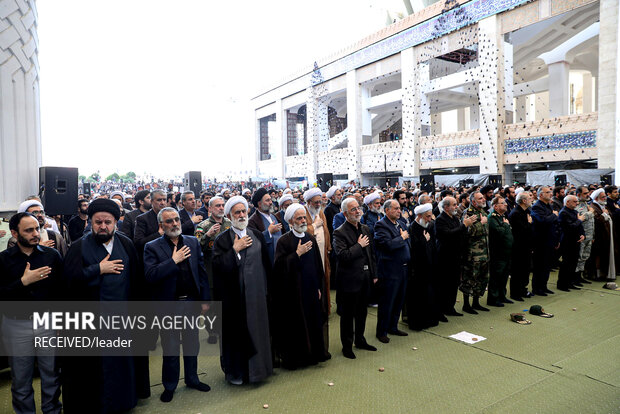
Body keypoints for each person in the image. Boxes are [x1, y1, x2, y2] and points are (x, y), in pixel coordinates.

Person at [62, 198, 150, 413]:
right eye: (98, 222)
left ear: (116, 222)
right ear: (90, 222)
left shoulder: (126, 244)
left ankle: (123, 402)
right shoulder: (79, 247)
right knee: (96, 370)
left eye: (107, 222)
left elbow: (137, 282)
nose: (103, 226)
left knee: (122, 365)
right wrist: (97, 269)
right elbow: (68, 283)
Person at [144, 207, 211, 403]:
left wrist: (205, 300)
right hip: (168, 306)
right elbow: (150, 276)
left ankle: (192, 379)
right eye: (169, 221)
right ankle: (170, 385)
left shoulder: (191, 241)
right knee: (171, 348)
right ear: (161, 226)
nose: (174, 224)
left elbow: (201, 273)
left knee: (192, 344)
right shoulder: (152, 247)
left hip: (190, 302)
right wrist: (173, 261)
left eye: (176, 220)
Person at [0, 213, 63, 414]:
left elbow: (62, 292)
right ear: (14, 233)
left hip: (48, 323)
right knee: (21, 379)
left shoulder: (51, 256)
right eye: (29, 230)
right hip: (16, 325)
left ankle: (52, 410)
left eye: (37, 228)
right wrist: (23, 282)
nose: (36, 234)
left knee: (51, 375)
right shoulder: (3, 259)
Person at [212, 196, 273, 384]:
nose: (241, 215)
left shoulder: (257, 234)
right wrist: (235, 250)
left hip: (257, 297)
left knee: (258, 331)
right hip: (234, 299)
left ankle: (260, 371)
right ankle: (237, 372)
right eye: (236, 212)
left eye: (243, 211)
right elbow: (217, 267)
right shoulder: (222, 240)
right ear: (230, 215)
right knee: (235, 336)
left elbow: (266, 265)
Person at [272, 203, 329, 369]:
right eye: (299, 218)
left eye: (304, 217)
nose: (303, 220)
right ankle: (298, 358)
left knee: (313, 322)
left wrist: (318, 287)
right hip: (293, 292)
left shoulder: (309, 238)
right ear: (291, 221)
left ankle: (314, 354)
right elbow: (279, 268)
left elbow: (317, 266)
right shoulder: (284, 241)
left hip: (311, 289)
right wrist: (297, 254)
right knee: (296, 325)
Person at [332, 198, 377, 359]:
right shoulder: (339, 232)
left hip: (365, 278)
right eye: (353, 209)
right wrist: (358, 246)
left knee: (362, 312)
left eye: (358, 208)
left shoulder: (365, 228)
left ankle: (360, 339)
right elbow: (343, 256)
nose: (357, 211)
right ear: (345, 214)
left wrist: (374, 274)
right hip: (349, 280)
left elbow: (371, 254)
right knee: (348, 315)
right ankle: (347, 346)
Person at [374, 199, 409, 342]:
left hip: (403, 268)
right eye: (395, 208)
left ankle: (393, 327)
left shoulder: (400, 223)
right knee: (387, 301)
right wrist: (401, 237)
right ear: (387, 210)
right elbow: (387, 245)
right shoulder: (380, 225)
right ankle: (381, 331)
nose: (399, 211)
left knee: (399, 300)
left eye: (400, 208)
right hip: (389, 270)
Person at [435, 196, 475, 315]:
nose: (456, 207)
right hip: (445, 257)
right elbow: (448, 234)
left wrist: (466, 228)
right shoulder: (440, 219)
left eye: (456, 204)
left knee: (454, 283)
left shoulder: (454, 218)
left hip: (456, 256)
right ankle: (442, 309)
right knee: (445, 284)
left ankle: (450, 307)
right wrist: (464, 225)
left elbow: (460, 234)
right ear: (446, 207)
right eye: (453, 205)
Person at [407, 203, 442, 329]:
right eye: (427, 217)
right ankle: (418, 323)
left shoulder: (430, 225)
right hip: (418, 268)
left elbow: (433, 244)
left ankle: (431, 319)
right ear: (419, 216)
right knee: (419, 296)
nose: (429, 219)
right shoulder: (412, 227)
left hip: (430, 266)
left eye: (430, 216)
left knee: (430, 294)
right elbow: (413, 248)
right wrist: (424, 240)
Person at [459, 192, 490, 313]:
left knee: (482, 279)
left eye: (483, 197)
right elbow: (467, 231)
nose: (483, 200)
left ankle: (476, 302)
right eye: (480, 198)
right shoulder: (468, 213)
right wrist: (481, 224)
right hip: (473, 254)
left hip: (484, 253)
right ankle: (466, 305)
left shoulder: (483, 212)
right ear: (473, 202)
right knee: (470, 279)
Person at [303, 188, 332, 305]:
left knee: (324, 278)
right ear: (309, 202)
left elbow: (326, 231)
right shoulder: (302, 212)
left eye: (320, 202)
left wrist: (328, 248)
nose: (319, 204)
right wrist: (314, 226)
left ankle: (325, 306)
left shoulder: (320, 212)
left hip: (323, 253)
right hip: (309, 255)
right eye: (316, 202)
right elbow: (302, 232)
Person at [530, 186, 560, 296]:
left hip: (550, 240)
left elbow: (554, 223)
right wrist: (553, 215)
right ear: (541, 195)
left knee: (547, 265)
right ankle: (537, 288)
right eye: (547, 192)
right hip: (541, 241)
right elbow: (542, 221)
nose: (550, 194)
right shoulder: (536, 207)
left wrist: (556, 239)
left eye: (550, 192)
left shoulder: (549, 206)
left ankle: (544, 286)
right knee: (539, 266)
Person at [486, 197, 514, 307]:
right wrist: (506, 225)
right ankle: (493, 298)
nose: (506, 205)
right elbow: (499, 232)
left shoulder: (502, 217)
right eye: (502, 203)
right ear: (495, 206)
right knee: (496, 276)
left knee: (504, 275)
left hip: (506, 251)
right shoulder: (492, 218)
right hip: (497, 252)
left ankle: (502, 296)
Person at [508, 191, 534, 301]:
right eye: (529, 198)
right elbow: (521, 231)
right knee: (517, 271)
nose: (531, 200)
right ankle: (515, 293)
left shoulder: (527, 211)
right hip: (518, 247)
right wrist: (529, 223)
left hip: (526, 246)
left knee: (525, 269)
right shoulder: (515, 213)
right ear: (523, 200)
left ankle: (523, 289)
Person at [557, 195, 585, 291]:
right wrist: (579, 220)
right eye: (574, 201)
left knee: (573, 263)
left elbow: (579, 226)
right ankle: (562, 284)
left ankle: (570, 282)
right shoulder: (563, 213)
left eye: (577, 201)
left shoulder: (574, 212)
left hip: (576, 241)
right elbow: (569, 227)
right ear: (567, 202)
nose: (577, 203)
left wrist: (582, 234)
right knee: (566, 264)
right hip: (567, 241)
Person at [248, 188, 283, 264]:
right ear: (259, 204)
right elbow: (254, 242)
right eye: (267, 200)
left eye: (270, 200)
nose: (271, 203)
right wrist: (269, 232)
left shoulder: (274, 216)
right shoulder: (252, 221)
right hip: (267, 262)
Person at [589, 188, 616, 282]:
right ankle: (598, 275)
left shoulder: (603, 206)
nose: (605, 198)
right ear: (596, 198)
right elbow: (597, 219)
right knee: (599, 256)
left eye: (605, 196)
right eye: (603, 197)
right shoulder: (593, 206)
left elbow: (610, 215)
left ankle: (605, 273)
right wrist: (604, 215)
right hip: (599, 236)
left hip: (606, 235)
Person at [134, 189, 167, 257]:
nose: (162, 203)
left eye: (164, 200)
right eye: (159, 200)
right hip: (151, 256)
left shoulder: (171, 216)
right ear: (151, 201)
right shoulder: (142, 219)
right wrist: (158, 234)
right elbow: (139, 243)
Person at [574, 186, 594, 285]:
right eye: (585, 193)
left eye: (588, 193)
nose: (588, 195)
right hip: (581, 236)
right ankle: (575, 277)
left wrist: (592, 236)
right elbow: (581, 217)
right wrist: (590, 213)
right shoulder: (576, 204)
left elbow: (591, 221)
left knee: (585, 257)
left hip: (589, 236)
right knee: (579, 257)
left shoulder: (586, 204)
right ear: (578, 194)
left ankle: (580, 276)